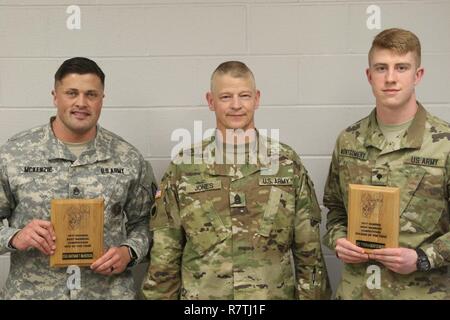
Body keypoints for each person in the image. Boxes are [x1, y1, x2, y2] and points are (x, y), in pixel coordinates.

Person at [141, 61, 331, 300]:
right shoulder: (184, 167)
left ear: (257, 98)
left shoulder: (286, 164)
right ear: (211, 101)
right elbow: (165, 255)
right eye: (226, 97)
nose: (236, 105)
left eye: (244, 95)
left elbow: (309, 252)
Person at [0, 57, 155, 299]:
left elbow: (148, 223)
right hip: (33, 293)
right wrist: (15, 236)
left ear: (102, 98)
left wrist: (129, 251)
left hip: (107, 293)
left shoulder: (128, 158)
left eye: (91, 94)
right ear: (55, 96)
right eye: (71, 93)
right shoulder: (13, 154)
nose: (81, 103)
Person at [323, 28, 450, 299]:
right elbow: (334, 208)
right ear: (369, 76)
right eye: (381, 68)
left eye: (401, 67)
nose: (390, 78)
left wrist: (422, 258)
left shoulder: (445, 144)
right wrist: (338, 240)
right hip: (357, 292)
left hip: (420, 292)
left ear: (418, 75)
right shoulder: (349, 141)